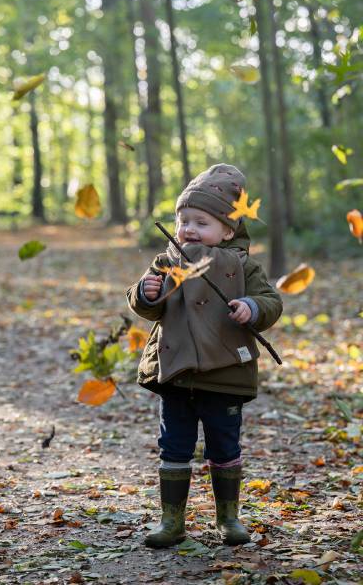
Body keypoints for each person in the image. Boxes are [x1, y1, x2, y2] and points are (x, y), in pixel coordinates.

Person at [126, 164, 283, 548]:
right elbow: (149, 308)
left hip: (225, 373)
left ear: (228, 230)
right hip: (176, 372)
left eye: (202, 222)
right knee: (174, 446)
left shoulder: (244, 265)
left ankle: (229, 518)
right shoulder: (168, 260)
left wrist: (252, 307)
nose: (189, 229)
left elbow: (271, 301)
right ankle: (171, 520)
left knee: (224, 446)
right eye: (184, 220)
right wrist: (145, 293)